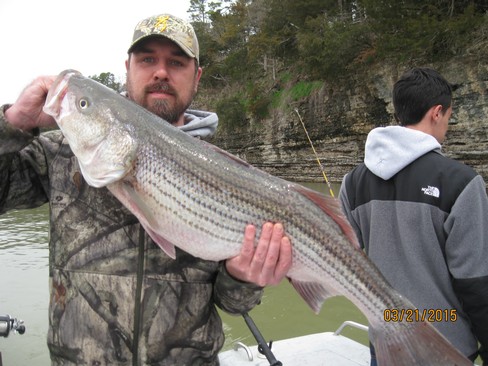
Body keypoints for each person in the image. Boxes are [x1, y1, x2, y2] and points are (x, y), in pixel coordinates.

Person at [0, 13, 292, 365]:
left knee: (383, 317)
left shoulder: (227, 175)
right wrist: (13, 124)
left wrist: (244, 279)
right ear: (128, 68)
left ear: (196, 77)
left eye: (176, 62)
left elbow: (232, 305)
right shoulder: (62, 153)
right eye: (147, 59)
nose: (160, 72)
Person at [339, 67, 488, 365]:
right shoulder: (463, 183)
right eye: (448, 116)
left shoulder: (353, 182)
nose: (447, 124)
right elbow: (475, 284)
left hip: (383, 343)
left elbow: (344, 258)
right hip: (446, 348)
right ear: (436, 112)